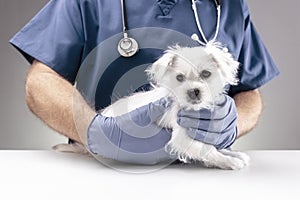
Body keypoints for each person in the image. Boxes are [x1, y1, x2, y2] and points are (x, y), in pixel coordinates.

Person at [10, 0, 279, 165]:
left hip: (199, 174)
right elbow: (40, 81)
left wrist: (231, 125)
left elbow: (249, 92)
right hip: (102, 173)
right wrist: (95, 133)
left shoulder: (229, 5)